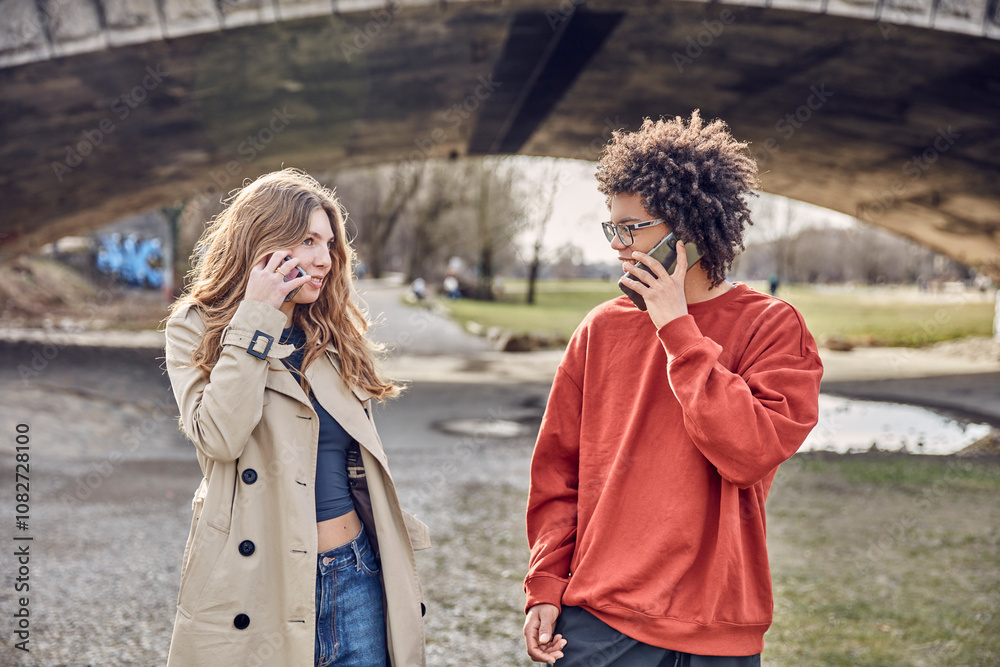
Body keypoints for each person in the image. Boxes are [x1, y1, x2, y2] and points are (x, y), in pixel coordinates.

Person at [522, 112, 823, 666]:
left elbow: (749, 452)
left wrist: (677, 331)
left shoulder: (774, 327)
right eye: (610, 228)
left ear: (684, 227)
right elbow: (557, 474)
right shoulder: (600, 328)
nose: (618, 245)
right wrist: (544, 583)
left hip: (718, 626)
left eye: (631, 228)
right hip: (602, 621)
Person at [163, 168, 430, 667]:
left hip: (354, 577)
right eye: (307, 240)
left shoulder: (330, 332)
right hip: (258, 582)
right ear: (262, 238)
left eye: (329, 243)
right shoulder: (195, 327)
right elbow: (218, 438)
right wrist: (258, 316)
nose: (323, 258)